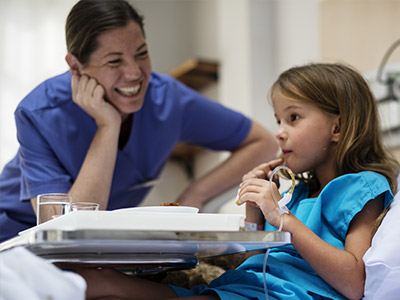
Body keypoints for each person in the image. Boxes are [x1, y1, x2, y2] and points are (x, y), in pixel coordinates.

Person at [76, 63, 399, 300]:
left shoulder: (361, 187)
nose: (279, 131)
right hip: (247, 289)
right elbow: (256, 264)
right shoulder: (297, 191)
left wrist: (282, 218)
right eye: (278, 120)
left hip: (291, 295)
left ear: (338, 129)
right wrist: (256, 216)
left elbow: (356, 282)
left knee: (109, 286)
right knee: (100, 282)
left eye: (294, 118)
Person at [0, 0, 278, 242]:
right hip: (13, 234)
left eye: (141, 54)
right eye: (114, 61)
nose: (134, 73)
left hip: (94, 243)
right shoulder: (39, 113)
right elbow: (61, 232)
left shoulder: (168, 99)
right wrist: (108, 127)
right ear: (75, 67)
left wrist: (194, 195)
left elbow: (262, 142)